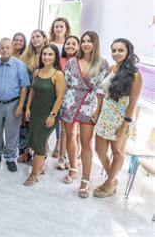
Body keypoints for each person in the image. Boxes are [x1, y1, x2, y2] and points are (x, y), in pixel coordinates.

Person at [60, 31, 109, 198]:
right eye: (84, 41)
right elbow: (64, 85)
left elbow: (102, 89)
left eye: (90, 41)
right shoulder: (72, 62)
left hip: (89, 104)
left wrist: (98, 110)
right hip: (69, 101)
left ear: (95, 44)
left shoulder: (102, 64)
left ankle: (85, 180)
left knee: (86, 143)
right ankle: (73, 167)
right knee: (70, 135)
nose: (86, 44)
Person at [94, 39, 142, 197]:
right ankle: (112, 179)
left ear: (128, 52)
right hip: (106, 116)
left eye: (120, 50)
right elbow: (104, 93)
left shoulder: (135, 75)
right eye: (114, 50)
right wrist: (98, 111)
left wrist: (124, 125)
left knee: (117, 152)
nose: (116, 54)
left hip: (121, 119)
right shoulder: (112, 68)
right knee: (99, 150)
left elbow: (133, 103)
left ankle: (108, 184)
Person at [0, 38, 30, 172]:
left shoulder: (20, 65)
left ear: (12, 49)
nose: (5, 50)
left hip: (13, 103)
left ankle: (10, 158)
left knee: (12, 132)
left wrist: (20, 106)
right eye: (2, 47)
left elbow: (24, 87)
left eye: (7, 47)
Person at [23, 44, 65, 186]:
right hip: (35, 112)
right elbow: (32, 92)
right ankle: (40, 167)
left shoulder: (57, 74)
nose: (46, 57)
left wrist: (52, 115)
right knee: (36, 140)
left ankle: (34, 175)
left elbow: (60, 97)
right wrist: (28, 108)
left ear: (55, 57)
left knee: (40, 143)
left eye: (50, 54)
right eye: (44, 54)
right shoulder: (37, 72)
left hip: (48, 114)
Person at [18, 29, 48, 164]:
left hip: (42, 96)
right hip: (26, 95)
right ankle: (24, 152)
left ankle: (39, 157)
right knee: (24, 125)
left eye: (38, 36)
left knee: (39, 128)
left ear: (44, 38)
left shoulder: (49, 55)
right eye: (33, 37)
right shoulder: (25, 56)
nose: (35, 39)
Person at [55, 35, 80, 171]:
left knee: (76, 133)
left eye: (73, 44)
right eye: (68, 44)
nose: (70, 46)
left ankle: (74, 160)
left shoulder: (81, 61)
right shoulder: (61, 61)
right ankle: (62, 157)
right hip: (63, 98)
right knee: (64, 130)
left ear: (78, 46)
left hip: (79, 100)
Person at [48, 17, 72, 159]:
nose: (58, 29)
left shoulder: (69, 44)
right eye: (56, 26)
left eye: (61, 26)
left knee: (62, 118)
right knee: (52, 112)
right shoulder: (49, 44)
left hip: (67, 85)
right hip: (52, 81)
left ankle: (58, 144)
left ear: (66, 29)